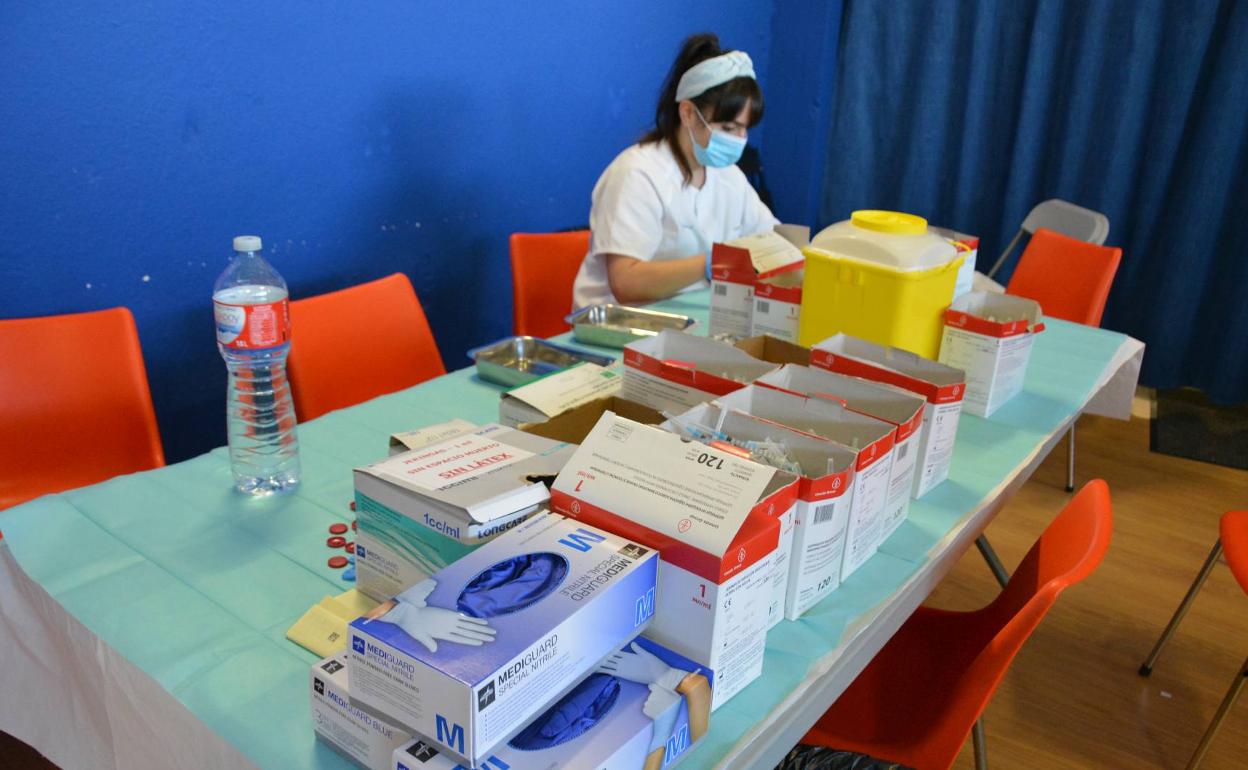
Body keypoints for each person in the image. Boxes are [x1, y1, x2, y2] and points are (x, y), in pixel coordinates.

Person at [571, 33, 779, 309]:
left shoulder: (728, 176)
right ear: (689, 113)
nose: (739, 139)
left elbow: (772, 237)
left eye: (745, 129)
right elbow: (625, 282)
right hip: (619, 329)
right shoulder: (637, 174)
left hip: (691, 318)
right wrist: (710, 263)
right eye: (728, 128)